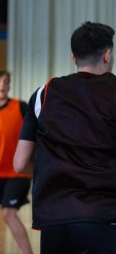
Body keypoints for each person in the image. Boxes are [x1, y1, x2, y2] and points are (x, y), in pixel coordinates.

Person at [13, 21, 116, 254]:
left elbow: (19, 163)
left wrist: (59, 171)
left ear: (73, 57)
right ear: (107, 54)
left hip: (53, 222)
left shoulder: (44, 94)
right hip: (103, 219)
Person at [0, 70, 33, 254]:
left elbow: (36, 135)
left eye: (6, 81)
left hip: (17, 173)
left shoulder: (20, 107)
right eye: (0, 81)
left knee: (8, 213)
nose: (2, 85)